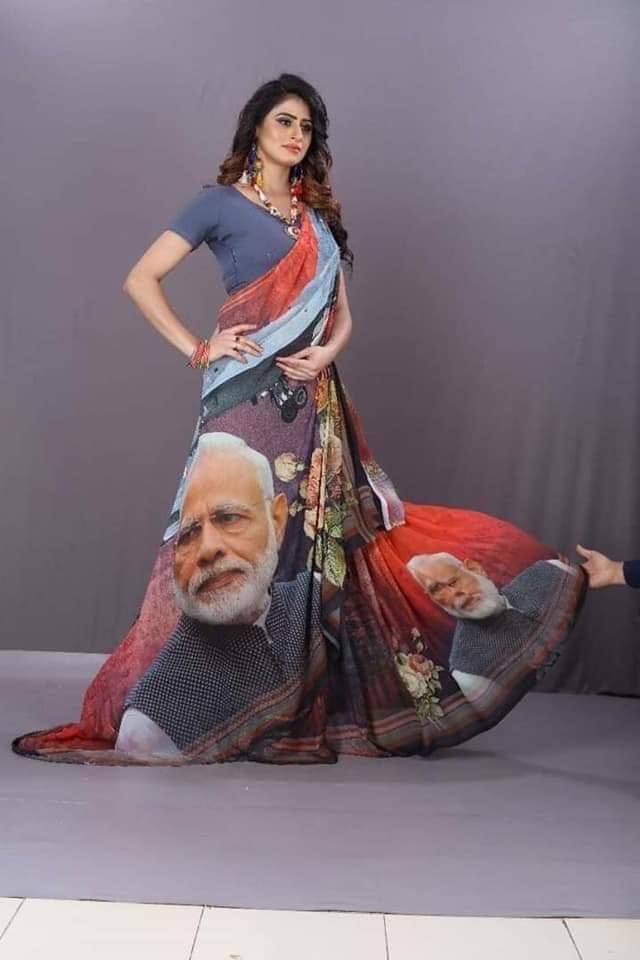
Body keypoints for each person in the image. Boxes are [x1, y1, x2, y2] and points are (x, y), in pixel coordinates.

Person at [13, 73, 584, 765]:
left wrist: (327, 354)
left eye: (306, 127)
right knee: (225, 537)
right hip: (241, 399)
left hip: (311, 399)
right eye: (284, 121)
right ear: (256, 126)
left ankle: (277, 697)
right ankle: (180, 701)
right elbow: (141, 278)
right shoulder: (217, 203)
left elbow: (343, 314)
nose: (295, 135)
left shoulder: (316, 218)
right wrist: (198, 347)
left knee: (305, 545)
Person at [116, 432, 321, 760]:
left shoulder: (317, 604)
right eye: (188, 534)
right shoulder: (152, 723)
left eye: (229, 518)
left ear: (277, 521)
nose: (208, 549)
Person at [407, 552, 584, 704]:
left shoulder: (548, 573)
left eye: (453, 582)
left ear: (474, 569)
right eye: (437, 591)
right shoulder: (469, 670)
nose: (454, 594)